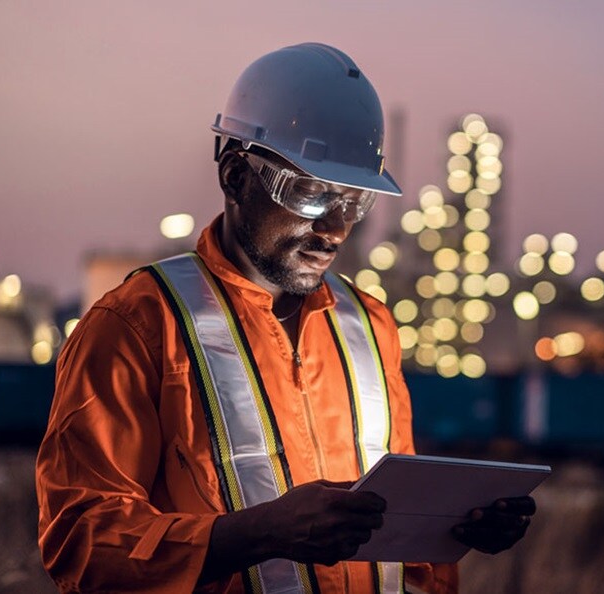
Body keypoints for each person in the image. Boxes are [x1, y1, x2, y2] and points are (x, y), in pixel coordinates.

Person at [35, 42, 535, 594]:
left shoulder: (370, 328)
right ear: (234, 177)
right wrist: (255, 535)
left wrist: (449, 530)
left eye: (354, 202)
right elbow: (81, 544)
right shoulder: (137, 327)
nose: (337, 229)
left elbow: (400, 549)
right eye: (311, 194)